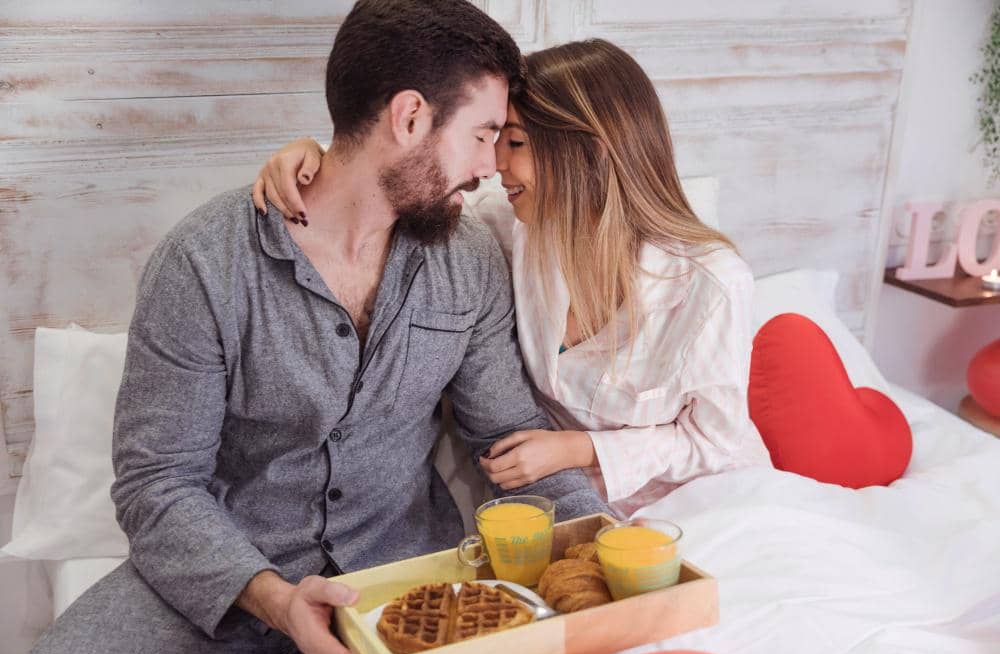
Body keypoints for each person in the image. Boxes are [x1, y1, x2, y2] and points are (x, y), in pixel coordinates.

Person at [23, 3, 608, 654]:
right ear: (409, 117)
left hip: (405, 583)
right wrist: (274, 598)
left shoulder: (468, 259)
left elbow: (510, 442)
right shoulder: (203, 262)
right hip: (222, 585)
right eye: (482, 134)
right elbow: (158, 482)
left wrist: (606, 549)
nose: (489, 165)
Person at [255, 39, 771, 520]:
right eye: (496, 139)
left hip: (707, 507)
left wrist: (582, 448)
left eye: (516, 142)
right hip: (573, 504)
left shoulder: (710, 283)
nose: (495, 163)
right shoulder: (505, 230)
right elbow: (401, 184)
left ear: (590, 153)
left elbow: (716, 442)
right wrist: (318, 157)